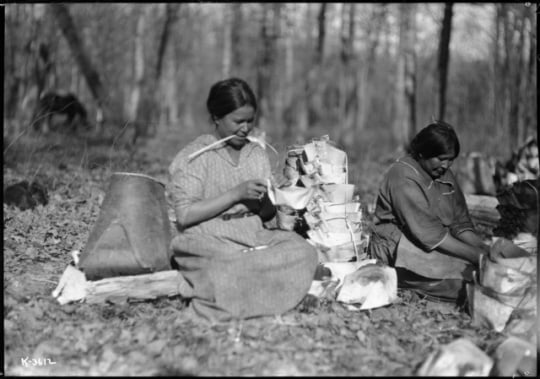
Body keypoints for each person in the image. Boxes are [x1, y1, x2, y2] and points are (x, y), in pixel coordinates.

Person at [167, 77, 318, 322]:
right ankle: (267, 297)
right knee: (228, 266)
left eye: (250, 121)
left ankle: (252, 295)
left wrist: (275, 200)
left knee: (303, 251)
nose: (245, 128)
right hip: (209, 238)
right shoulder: (195, 157)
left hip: (252, 236)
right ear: (216, 117)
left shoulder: (255, 153)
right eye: (238, 121)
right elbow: (185, 215)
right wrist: (235, 194)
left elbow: (266, 215)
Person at [368, 121, 490, 304]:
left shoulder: (443, 174)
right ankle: (401, 283)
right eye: (441, 158)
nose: (447, 165)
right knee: (467, 283)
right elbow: (430, 235)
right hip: (396, 246)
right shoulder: (403, 175)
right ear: (423, 152)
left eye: (451, 159)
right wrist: (477, 257)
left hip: (434, 242)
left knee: (482, 272)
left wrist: (484, 249)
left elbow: (460, 223)